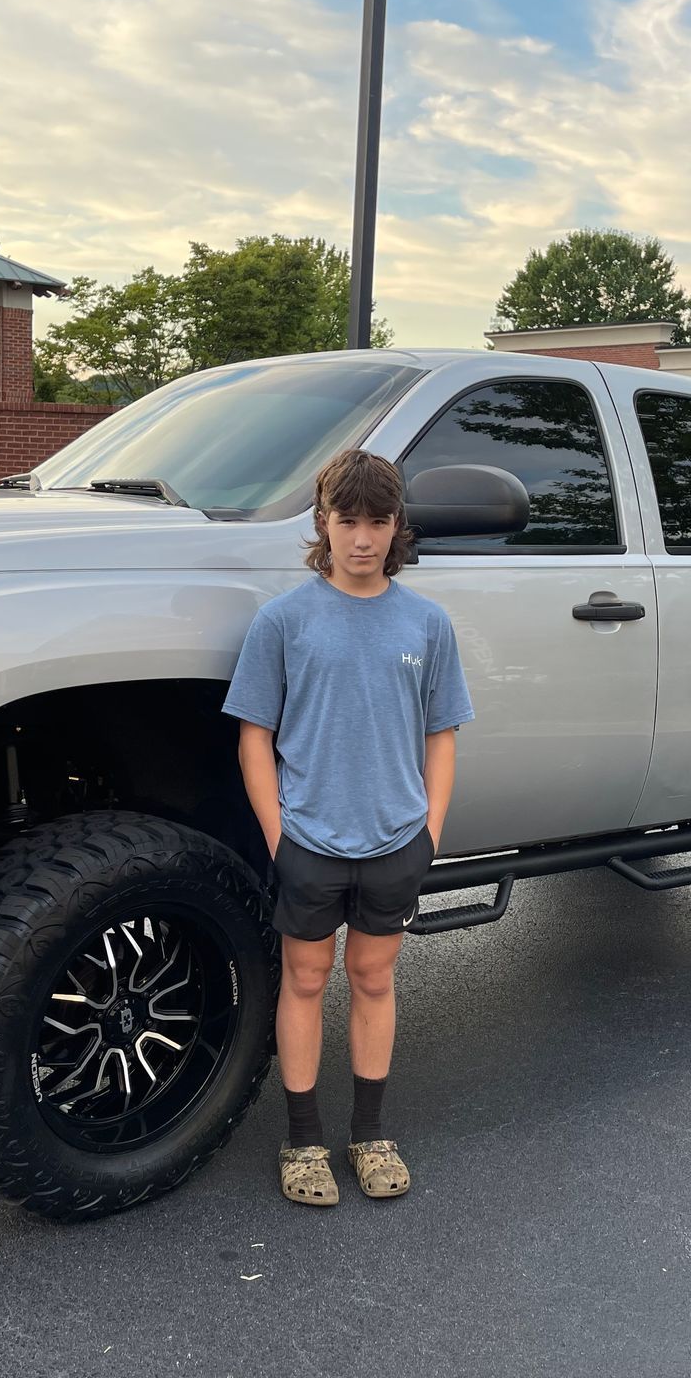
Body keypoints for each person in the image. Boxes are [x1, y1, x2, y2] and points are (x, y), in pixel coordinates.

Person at [221, 449, 475, 1206]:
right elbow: (253, 737)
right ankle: (303, 1142)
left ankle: (370, 1135)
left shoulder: (426, 624)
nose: (361, 538)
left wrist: (427, 833)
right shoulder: (284, 621)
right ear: (322, 524)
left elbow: (442, 735)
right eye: (347, 521)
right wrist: (279, 837)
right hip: (309, 845)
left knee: (373, 977)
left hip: (395, 842)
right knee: (303, 979)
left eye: (377, 522)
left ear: (397, 527)